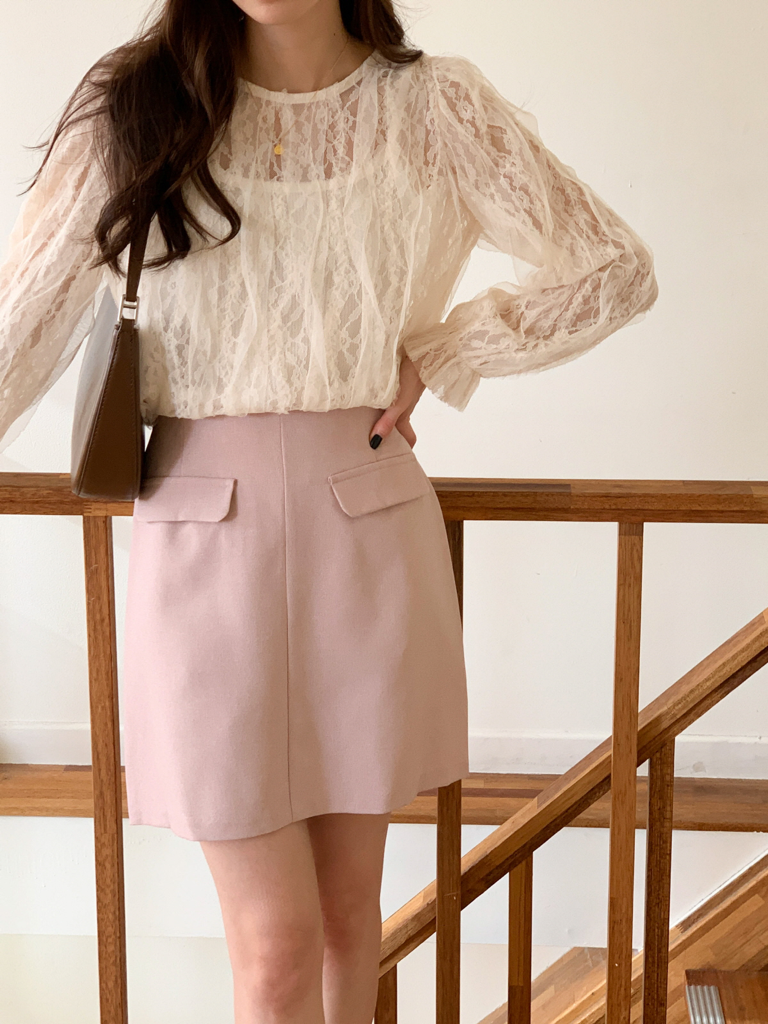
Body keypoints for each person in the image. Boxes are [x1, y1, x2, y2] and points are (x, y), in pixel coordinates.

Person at [0, 0, 659, 1021]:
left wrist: (446, 350)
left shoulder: (435, 106)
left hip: (367, 524)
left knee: (351, 923)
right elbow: (17, 328)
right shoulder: (135, 104)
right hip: (201, 544)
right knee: (277, 946)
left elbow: (616, 269)